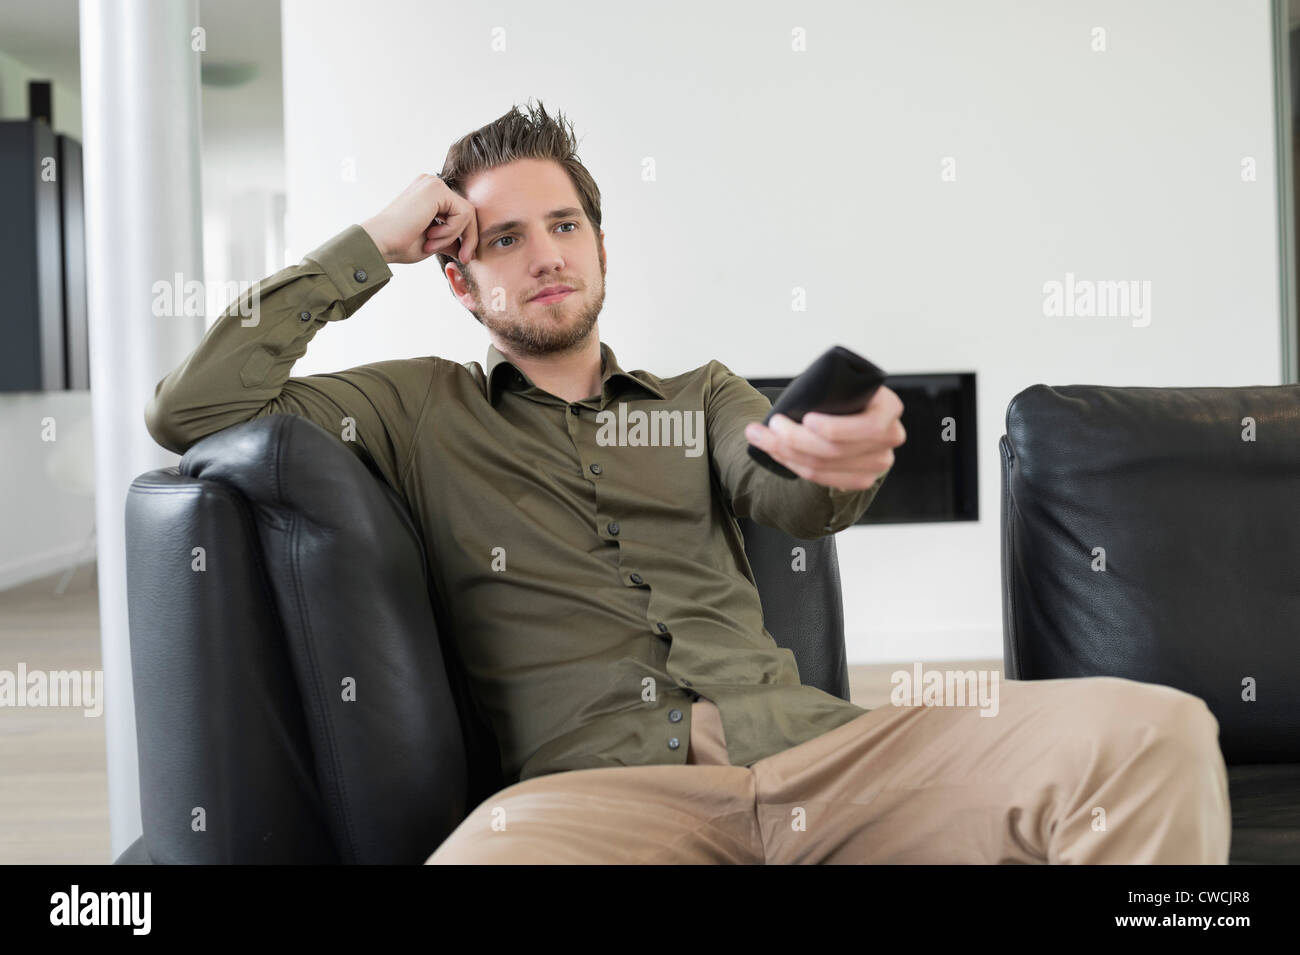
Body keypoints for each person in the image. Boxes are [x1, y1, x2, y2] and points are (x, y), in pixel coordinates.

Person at [144, 99, 1232, 864]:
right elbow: (189, 408)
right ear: (461, 281)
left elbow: (784, 493)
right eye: (505, 239)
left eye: (564, 226)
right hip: (593, 801)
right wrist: (371, 244)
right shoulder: (414, 407)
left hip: (824, 761)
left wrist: (837, 467)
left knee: (1155, 731)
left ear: (603, 248)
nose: (544, 255)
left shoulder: (701, 394)